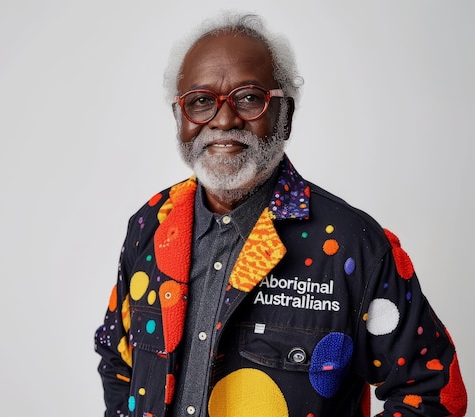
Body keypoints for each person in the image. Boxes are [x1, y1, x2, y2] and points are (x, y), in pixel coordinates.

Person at [94, 10, 468, 417]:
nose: (223, 120)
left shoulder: (352, 245)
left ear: (285, 116)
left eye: (249, 98)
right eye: (200, 102)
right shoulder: (151, 225)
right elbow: (118, 357)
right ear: (179, 118)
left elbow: (432, 393)